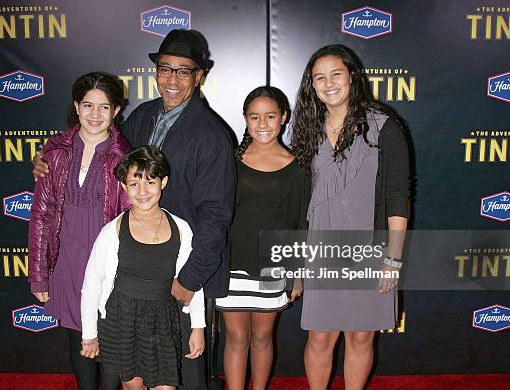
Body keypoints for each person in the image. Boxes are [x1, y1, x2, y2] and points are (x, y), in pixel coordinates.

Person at [34, 29, 236, 389]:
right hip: (135, 276)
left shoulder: (212, 135)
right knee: (138, 372)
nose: (172, 79)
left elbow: (216, 218)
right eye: (165, 68)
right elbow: (94, 144)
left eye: (184, 70)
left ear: (199, 75)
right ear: (156, 72)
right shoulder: (141, 117)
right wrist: (46, 157)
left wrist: (188, 282)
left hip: (181, 275)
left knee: (184, 375)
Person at [291, 44, 410, 390]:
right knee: (320, 336)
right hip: (321, 250)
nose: (328, 84)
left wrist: (394, 259)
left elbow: (397, 197)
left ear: (353, 76)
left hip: (370, 249)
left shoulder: (384, 126)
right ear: (311, 85)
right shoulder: (307, 130)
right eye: (319, 78)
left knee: (361, 337)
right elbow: (300, 200)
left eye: (336, 74)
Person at [28, 72, 130, 390]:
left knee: (111, 340)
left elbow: (132, 219)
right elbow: (42, 215)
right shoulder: (54, 153)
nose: (95, 114)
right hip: (68, 261)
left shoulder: (125, 157)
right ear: (76, 105)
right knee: (79, 338)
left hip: (110, 264)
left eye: (103, 107)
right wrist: (39, 273)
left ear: (115, 111)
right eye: (88, 105)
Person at [80, 146, 205, 390]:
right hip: (122, 317)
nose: (143, 191)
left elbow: (193, 281)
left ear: (163, 182)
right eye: (134, 184)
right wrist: (89, 333)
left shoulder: (181, 228)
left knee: (166, 386)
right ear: (124, 187)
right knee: (133, 386)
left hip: (163, 318)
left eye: (150, 181)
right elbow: (92, 285)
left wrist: (198, 327)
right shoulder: (112, 231)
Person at [214, 86, 311, 390]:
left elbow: (300, 224)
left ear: (284, 117)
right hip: (231, 265)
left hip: (274, 268)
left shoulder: (297, 167)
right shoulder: (230, 160)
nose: (263, 123)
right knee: (237, 337)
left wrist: (297, 273)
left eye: (270, 116)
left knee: (262, 337)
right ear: (245, 119)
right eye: (254, 117)